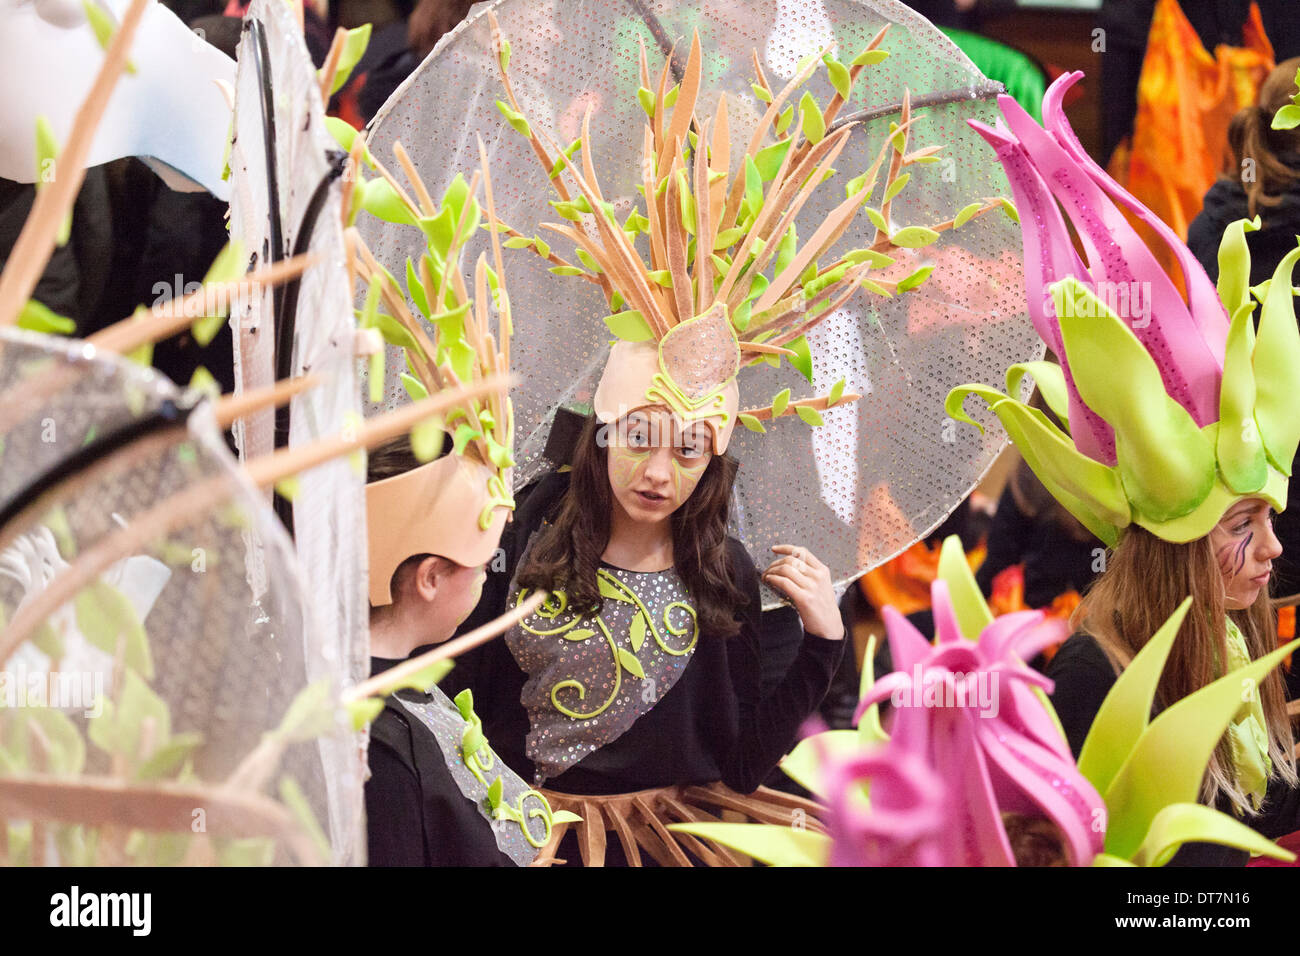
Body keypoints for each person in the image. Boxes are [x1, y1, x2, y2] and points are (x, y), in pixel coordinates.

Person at [952, 72, 1300, 866]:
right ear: (1174, 540)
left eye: (1269, 521)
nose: (1275, 550)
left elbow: (1250, 811)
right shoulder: (1094, 674)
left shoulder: (1229, 646)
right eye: (1244, 525)